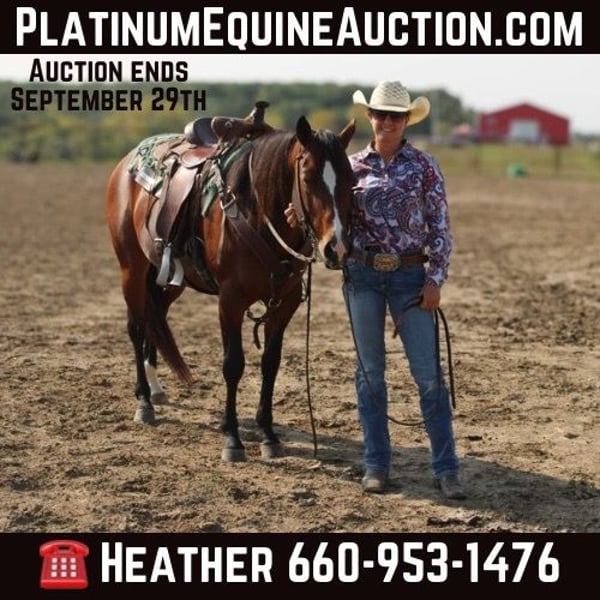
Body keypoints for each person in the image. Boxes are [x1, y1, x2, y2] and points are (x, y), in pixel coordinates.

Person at [286, 80, 466, 499]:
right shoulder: (349, 167)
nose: (388, 121)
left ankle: (446, 468)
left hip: (411, 278)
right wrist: (300, 216)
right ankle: (376, 464)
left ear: (407, 120)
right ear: (369, 116)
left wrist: (435, 280)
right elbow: (329, 209)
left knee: (429, 377)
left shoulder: (424, 166)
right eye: (381, 114)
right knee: (369, 375)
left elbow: (440, 227)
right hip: (363, 276)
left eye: (396, 116)